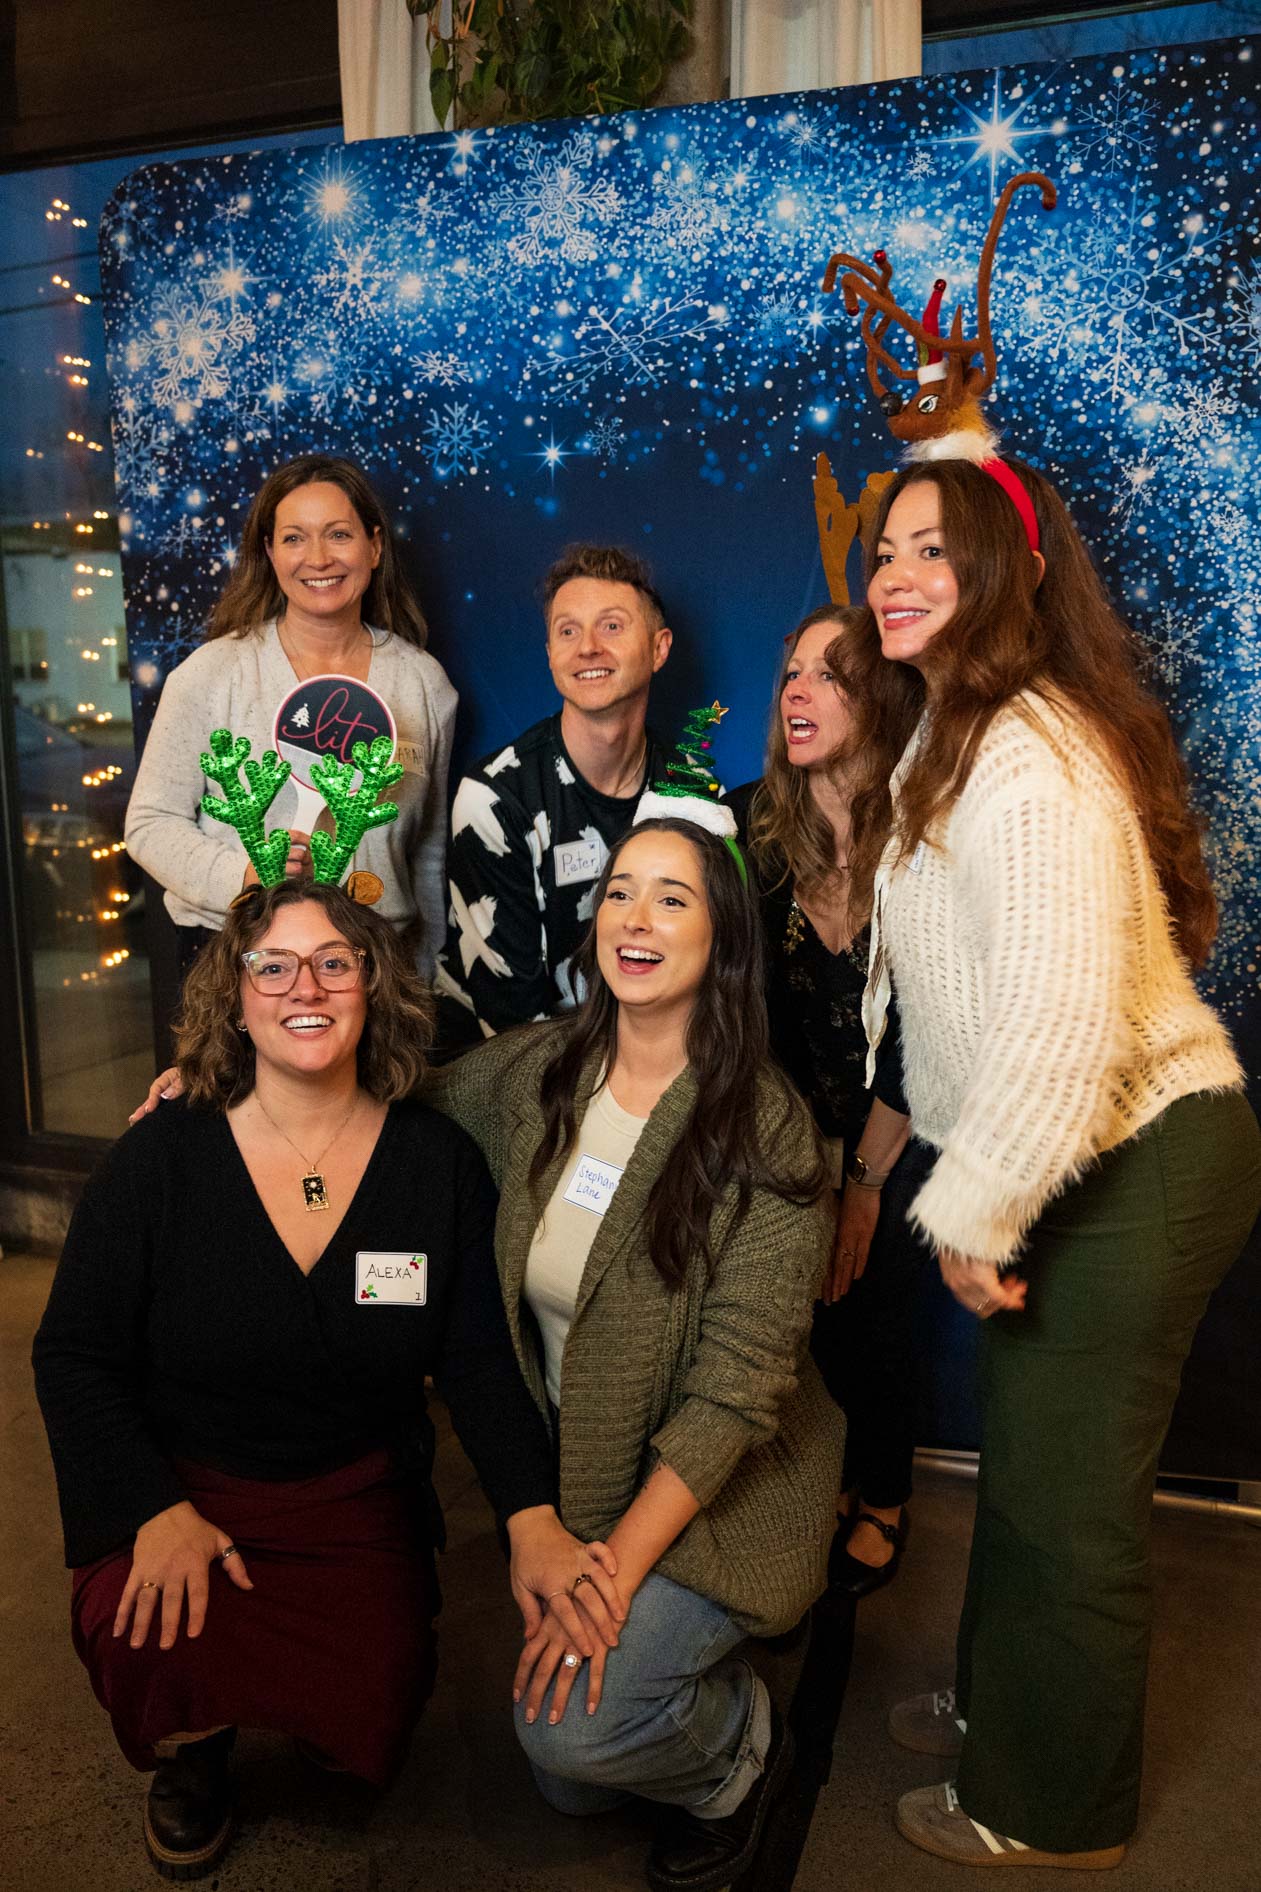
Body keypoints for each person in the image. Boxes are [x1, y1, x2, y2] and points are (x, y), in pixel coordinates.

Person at [839, 457, 1261, 1869]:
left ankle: (1047, 1805)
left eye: (929, 551)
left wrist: (975, 1210)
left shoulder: (1030, 749)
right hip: (1070, 1150)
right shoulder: (949, 730)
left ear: (1003, 574)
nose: (891, 573)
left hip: (1133, 1154)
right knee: (1032, 1457)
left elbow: (1062, 1021)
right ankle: (1013, 1705)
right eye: (881, 550)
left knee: (1072, 1506)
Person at [33, 880, 624, 1882]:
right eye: (273, 964)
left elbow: (477, 1358)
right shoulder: (160, 1156)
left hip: (351, 1492)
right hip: (188, 1478)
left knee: (376, 1700)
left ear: (371, 988)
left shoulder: (436, 1163)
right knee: (149, 1633)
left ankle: (305, 1703)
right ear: (235, 994)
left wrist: (529, 1510)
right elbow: (72, 1353)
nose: (304, 986)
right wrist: (151, 1506)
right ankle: (193, 1752)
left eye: (333, 962)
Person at [431, 810, 844, 1892]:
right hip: (587, 1475)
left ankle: (745, 1744)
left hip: (722, 1489)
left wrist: (604, 1577)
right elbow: (372, 1097)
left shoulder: (764, 1127)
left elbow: (734, 1396)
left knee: (571, 1738)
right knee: (573, 1776)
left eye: (672, 896)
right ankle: (658, 1691)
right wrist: (214, 1081)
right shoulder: (535, 1073)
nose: (636, 916)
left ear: (723, 941)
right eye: (619, 889)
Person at [724, 606, 929, 1596]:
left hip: (906, 1124)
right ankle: (794, 1487)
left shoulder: (928, 839)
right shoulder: (742, 827)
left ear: (883, 696)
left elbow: (933, 1032)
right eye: (790, 672)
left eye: (829, 674)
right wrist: (807, 1168)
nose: (796, 690)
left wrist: (863, 1176)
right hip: (779, 1125)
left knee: (880, 1267)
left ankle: (881, 1486)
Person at [125, 454, 457, 975]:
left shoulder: (423, 683)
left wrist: (426, 975)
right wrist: (243, 872)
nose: (318, 558)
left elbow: (429, 852)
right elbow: (149, 824)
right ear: (270, 553)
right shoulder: (213, 673)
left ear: (374, 547)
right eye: (294, 538)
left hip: (381, 967)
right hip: (241, 957)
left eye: (339, 535)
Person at [432, 542, 671, 1047]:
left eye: (611, 626)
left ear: (658, 648)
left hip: (637, 1047)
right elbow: (512, 1024)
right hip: (500, 1055)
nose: (587, 647)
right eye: (568, 631)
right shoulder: (494, 797)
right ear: (550, 656)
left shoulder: (686, 791)